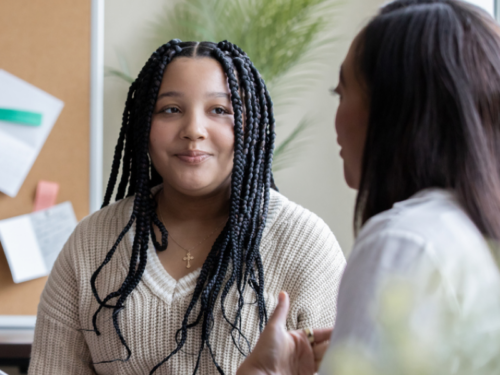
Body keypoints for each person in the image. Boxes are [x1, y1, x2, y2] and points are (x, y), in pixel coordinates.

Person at [28, 40, 345, 375]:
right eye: (170, 110)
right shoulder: (91, 242)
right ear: (143, 127)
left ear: (251, 127)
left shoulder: (305, 244)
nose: (193, 130)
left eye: (220, 110)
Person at [236, 0, 500, 374]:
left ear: (395, 109)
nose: (337, 121)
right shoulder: (468, 232)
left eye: (342, 93)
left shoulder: (404, 242)